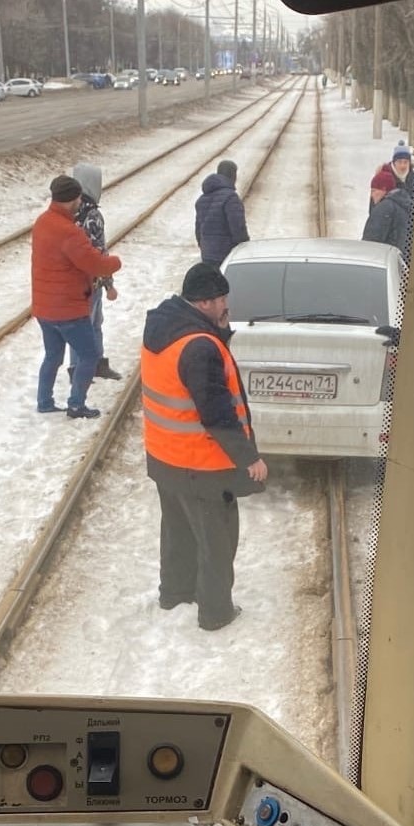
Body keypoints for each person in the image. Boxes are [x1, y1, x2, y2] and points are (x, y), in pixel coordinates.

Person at [141, 263, 267, 632]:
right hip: (202, 465)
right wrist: (250, 459)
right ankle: (215, 613)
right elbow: (216, 414)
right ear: (206, 302)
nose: (227, 304)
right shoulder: (200, 348)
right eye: (222, 299)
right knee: (217, 541)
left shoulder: (166, 327)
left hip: (166, 457)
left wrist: (220, 332)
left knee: (178, 530)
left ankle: (175, 594)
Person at [32, 175, 122, 419]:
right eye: (79, 197)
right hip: (68, 309)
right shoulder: (69, 233)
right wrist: (115, 263)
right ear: (72, 200)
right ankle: (76, 404)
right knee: (89, 354)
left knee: (52, 355)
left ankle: (44, 401)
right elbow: (94, 264)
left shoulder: (42, 222)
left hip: (44, 307)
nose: (81, 200)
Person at [71, 162, 122, 381]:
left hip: (75, 280)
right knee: (90, 326)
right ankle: (81, 369)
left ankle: (86, 366)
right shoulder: (93, 216)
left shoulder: (69, 212)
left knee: (87, 325)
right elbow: (98, 253)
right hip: (90, 283)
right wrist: (109, 284)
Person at [195, 160, 250, 265]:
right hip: (226, 255)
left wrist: (204, 247)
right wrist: (244, 246)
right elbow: (238, 227)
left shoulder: (202, 199)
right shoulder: (230, 197)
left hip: (207, 255)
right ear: (232, 175)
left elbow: (198, 230)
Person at [361, 169, 414, 261]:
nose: (372, 195)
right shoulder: (404, 204)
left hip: (384, 262)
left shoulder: (384, 208)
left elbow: (371, 242)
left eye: (374, 191)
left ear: (384, 189)